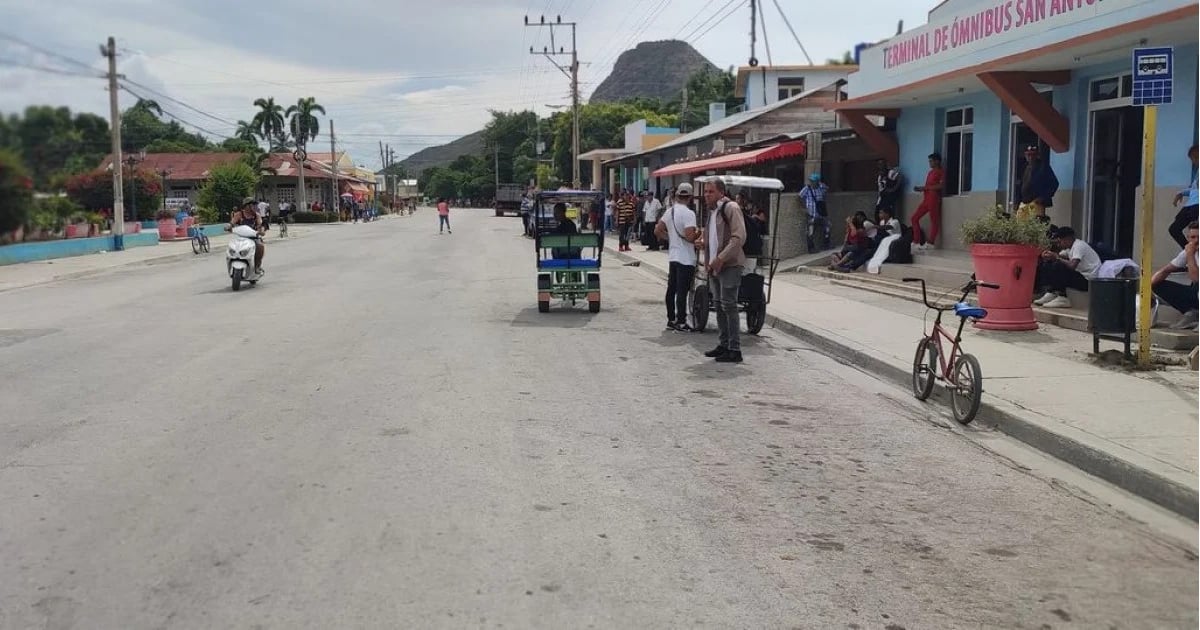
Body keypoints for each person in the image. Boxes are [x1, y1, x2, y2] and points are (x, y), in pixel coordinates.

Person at [697, 178, 747, 363]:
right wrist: (703, 246)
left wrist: (721, 258)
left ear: (720, 192)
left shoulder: (731, 208)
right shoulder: (712, 211)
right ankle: (723, 344)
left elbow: (738, 237)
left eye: (710, 192)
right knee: (718, 305)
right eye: (706, 192)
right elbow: (712, 236)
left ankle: (735, 349)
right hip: (714, 265)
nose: (706, 195)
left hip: (729, 265)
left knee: (729, 305)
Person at [654, 183, 700, 332]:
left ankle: (670, 319)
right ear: (690, 197)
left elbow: (657, 230)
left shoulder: (670, 211)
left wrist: (671, 239)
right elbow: (689, 236)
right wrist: (699, 233)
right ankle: (681, 321)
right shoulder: (689, 214)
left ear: (678, 195)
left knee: (671, 289)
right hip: (686, 258)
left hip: (673, 257)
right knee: (682, 291)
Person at [1033, 226, 1101, 308]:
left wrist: (1057, 258)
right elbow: (1059, 256)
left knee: (1059, 265)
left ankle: (1062, 297)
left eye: (1060, 242)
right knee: (1049, 264)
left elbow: (1072, 265)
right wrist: (1049, 256)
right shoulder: (1069, 248)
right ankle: (1052, 292)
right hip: (1081, 277)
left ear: (1068, 239)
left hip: (1089, 281)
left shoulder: (1079, 246)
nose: (1059, 245)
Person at [1152, 220, 1199, 329]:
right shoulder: (1187, 251)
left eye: (1199, 237)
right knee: (1158, 284)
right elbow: (1165, 270)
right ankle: (1193, 313)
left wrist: (1190, 256)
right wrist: (1145, 290)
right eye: (1193, 237)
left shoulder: (1190, 252)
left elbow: (1196, 278)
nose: (1196, 241)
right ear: (1188, 238)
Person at [911, 152, 944, 250]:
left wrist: (925, 188)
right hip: (926, 199)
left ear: (937, 161)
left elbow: (941, 186)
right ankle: (916, 241)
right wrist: (921, 189)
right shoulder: (930, 172)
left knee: (934, 221)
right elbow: (927, 186)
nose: (929, 163)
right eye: (929, 161)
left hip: (934, 198)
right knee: (914, 218)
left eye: (931, 161)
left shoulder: (941, 172)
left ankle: (930, 243)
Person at [1015, 144, 1059, 219]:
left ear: (1037, 155)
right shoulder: (1024, 167)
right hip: (1024, 202)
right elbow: (1019, 185)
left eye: (1033, 155)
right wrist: (1017, 201)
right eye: (1028, 155)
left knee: (1035, 225)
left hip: (1036, 203)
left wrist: (1043, 197)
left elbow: (1054, 184)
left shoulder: (1043, 167)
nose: (1030, 157)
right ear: (1025, 156)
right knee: (1020, 224)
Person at [1169, 145, 1199, 248]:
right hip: (1191, 205)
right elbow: (1194, 189)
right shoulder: (1198, 173)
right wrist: (1181, 193)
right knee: (1174, 229)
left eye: (1194, 159)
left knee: (1192, 230)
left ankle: (1192, 253)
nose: (1193, 163)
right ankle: (1190, 252)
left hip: (1196, 205)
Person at [228, 197, 265, 273]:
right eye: (252, 205)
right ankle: (232, 261)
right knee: (231, 246)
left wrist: (261, 231)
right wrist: (228, 226)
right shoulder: (239, 214)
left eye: (255, 205)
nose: (254, 207)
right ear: (246, 206)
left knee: (260, 246)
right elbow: (232, 222)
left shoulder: (256, 215)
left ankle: (257, 266)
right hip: (241, 237)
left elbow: (260, 225)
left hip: (254, 237)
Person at [800, 173, 829, 251]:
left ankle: (826, 244)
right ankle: (811, 248)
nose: (812, 182)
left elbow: (827, 188)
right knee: (811, 231)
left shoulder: (821, 188)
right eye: (811, 181)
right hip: (811, 213)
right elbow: (800, 197)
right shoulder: (807, 188)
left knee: (827, 227)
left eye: (813, 181)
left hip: (820, 213)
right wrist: (804, 208)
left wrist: (820, 184)